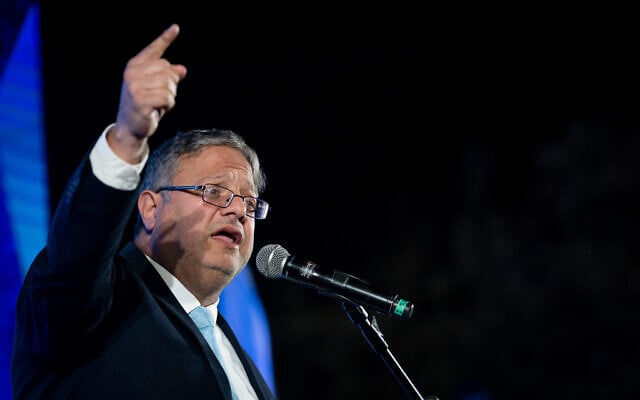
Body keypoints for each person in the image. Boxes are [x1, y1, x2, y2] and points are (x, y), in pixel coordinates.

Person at [11, 23, 276, 400]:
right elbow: (76, 257)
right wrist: (128, 137)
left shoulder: (242, 360)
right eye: (214, 191)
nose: (237, 211)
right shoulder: (98, 301)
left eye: (249, 202)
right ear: (151, 208)